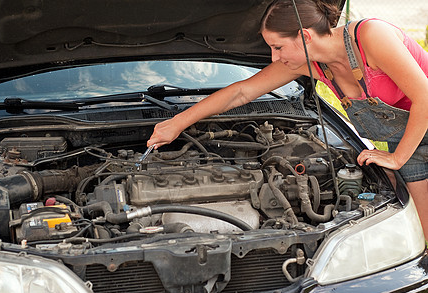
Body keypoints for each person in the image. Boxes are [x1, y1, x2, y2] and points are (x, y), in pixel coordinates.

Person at [147, 0, 428, 239]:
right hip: (407, 141)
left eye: (278, 47)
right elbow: (241, 91)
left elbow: (425, 98)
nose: (273, 56)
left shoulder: (370, 36)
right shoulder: (312, 64)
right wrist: (179, 121)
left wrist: (397, 159)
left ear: (305, 36)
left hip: (412, 135)